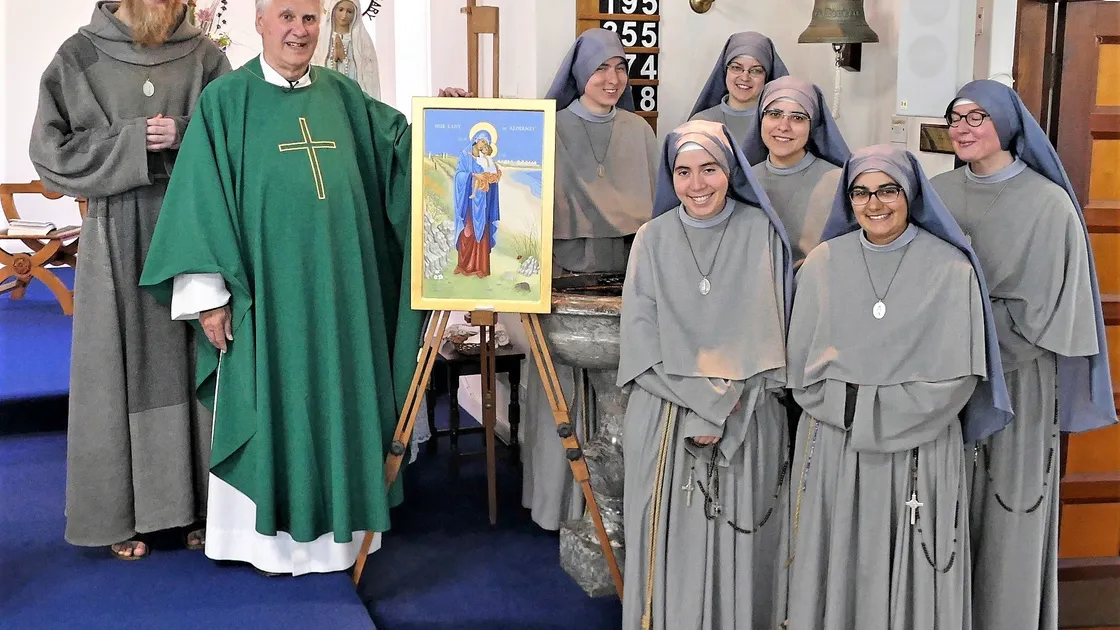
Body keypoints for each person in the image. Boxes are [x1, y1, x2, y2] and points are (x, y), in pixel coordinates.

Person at [139, 0, 465, 575]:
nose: (299, 30)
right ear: (260, 23)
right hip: (266, 298)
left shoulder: (344, 96)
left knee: (341, 390)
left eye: (309, 19)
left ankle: (343, 534)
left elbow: (402, 158)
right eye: (286, 16)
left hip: (345, 295)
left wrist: (448, 127)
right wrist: (210, 294)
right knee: (270, 396)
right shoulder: (225, 103)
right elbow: (200, 201)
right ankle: (258, 542)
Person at [29, 0, 230, 561]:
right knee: (116, 372)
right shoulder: (81, 56)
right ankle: (119, 514)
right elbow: (50, 153)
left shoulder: (206, 59)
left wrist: (185, 133)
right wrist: (132, 142)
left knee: (195, 364)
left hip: (191, 227)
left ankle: (200, 509)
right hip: (115, 236)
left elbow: (239, 136)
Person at [781, 145, 1012, 629]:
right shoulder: (822, 263)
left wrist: (870, 412)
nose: (875, 203)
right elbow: (801, 369)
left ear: (910, 194)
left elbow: (957, 377)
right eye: (861, 192)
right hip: (834, 448)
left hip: (919, 449)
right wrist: (854, 413)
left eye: (888, 190)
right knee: (834, 568)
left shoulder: (952, 268)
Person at [930, 80, 1115, 630]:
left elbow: (1048, 310)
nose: (963, 128)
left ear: (1007, 125)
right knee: (945, 507)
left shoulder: (1048, 202)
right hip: (945, 379)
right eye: (955, 117)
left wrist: (973, 343)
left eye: (977, 117)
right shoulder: (936, 192)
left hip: (1019, 380)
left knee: (1010, 509)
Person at [619, 119, 793, 630]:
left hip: (748, 415)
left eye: (710, 169)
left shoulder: (760, 231)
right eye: (683, 171)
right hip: (666, 417)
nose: (697, 184)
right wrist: (705, 402)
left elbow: (773, 333)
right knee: (668, 544)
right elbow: (641, 343)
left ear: (730, 170)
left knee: (741, 542)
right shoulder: (651, 238)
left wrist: (721, 406)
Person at [519, 28, 660, 532]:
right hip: (562, 278)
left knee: (619, 396)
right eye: (602, 67)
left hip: (623, 279)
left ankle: (617, 508)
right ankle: (558, 505)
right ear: (580, 73)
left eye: (621, 68)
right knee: (563, 391)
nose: (613, 78)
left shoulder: (640, 132)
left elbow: (654, 218)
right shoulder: (548, 129)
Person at [750, 76, 850, 266]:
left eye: (797, 118)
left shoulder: (837, 183)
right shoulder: (745, 181)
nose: (783, 126)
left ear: (812, 125)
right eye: (774, 114)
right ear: (760, 119)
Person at [688, 32, 790, 166]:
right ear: (725, 71)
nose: (745, 77)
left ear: (767, 76)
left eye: (756, 70)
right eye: (736, 68)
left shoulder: (782, 124)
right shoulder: (701, 123)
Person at [452, 130, 501, 278]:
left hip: (483, 202)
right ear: (476, 140)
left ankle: (481, 268)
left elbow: (489, 174)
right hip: (468, 203)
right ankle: (463, 266)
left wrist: (493, 177)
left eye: (487, 143)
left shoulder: (484, 158)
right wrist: (472, 175)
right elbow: (458, 176)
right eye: (483, 142)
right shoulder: (464, 155)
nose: (484, 145)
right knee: (467, 232)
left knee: (482, 233)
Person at [312, 0, 381, 98]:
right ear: (333, 10)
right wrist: (333, 59)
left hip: (352, 97)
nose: (344, 15)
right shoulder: (321, 37)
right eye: (340, 10)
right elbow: (314, 66)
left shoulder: (362, 39)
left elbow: (367, 74)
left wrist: (345, 59)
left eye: (349, 11)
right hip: (325, 95)